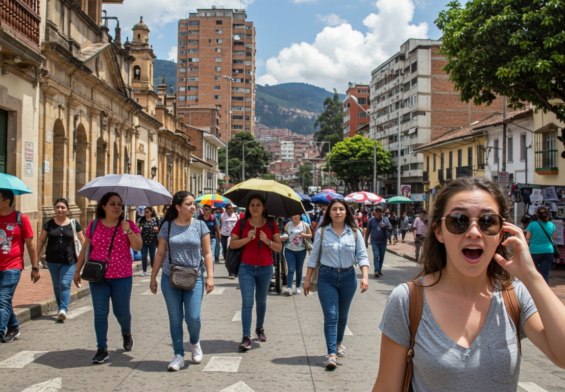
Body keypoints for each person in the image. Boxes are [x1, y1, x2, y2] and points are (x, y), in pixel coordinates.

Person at [374, 177, 565, 390]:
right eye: (458, 220)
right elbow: (386, 386)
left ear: (502, 232)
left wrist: (532, 276)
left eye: (487, 221)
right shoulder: (407, 300)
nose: (474, 232)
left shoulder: (515, 296)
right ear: (439, 232)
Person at [73, 192, 143, 364]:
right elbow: (85, 248)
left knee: (121, 312)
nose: (117, 207)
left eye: (120, 204)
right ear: (103, 206)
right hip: (98, 276)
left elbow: (138, 246)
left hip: (122, 276)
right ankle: (102, 349)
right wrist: (77, 271)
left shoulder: (129, 225)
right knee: (100, 312)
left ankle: (126, 332)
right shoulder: (94, 224)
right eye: (112, 204)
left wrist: (128, 232)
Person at [150, 191, 214, 371]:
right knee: (175, 318)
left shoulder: (201, 225)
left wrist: (210, 276)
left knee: (193, 317)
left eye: (194, 204)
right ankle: (178, 354)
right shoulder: (167, 226)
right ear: (178, 207)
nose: (193, 207)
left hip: (194, 278)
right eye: (188, 204)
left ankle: (194, 342)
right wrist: (153, 276)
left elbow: (208, 253)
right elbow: (160, 253)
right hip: (170, 278)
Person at [303, 198, 369, 370]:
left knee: (342, 315)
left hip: (348, 277)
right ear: (329, 212)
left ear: (346, 212)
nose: (338, 212)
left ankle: (338, 343)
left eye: (341, 209)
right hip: (327, 276)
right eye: (334, 209)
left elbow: (362, 255)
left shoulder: (355, 232)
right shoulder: (322, 232)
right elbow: (313, 256)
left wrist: (365, 277)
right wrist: (307, 279)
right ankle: (331, 353)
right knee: (331, 315)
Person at [230, 194, 282, 351]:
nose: (255, 207)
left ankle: (259, 327)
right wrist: (247, 238)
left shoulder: (272, 224)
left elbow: (279, 247)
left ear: (263, 208)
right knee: (247, 302)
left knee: (261, 301)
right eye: (252, 204)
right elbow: (232, 244)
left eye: (258, 204)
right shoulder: (242, 222)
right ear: (248, 207)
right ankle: (246, 337)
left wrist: (267, 241)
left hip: (266, 268)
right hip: (246, 267)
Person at [0, 189, 39, 346]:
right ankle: (14, 327)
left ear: (6, 201)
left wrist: (35, 267)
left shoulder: (20, 218)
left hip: (12, 266)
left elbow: (31, 244)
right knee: (5, 300)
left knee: (2, 299)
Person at [36, 198, 85, 320]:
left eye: (63, 207)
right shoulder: (48, 224)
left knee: (64, 284)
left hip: (70, 261)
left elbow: (82, 240)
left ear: (67, 209)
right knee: (57, 286)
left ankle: (63, 308)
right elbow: (41, 240)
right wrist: (35, 257)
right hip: (52, 260)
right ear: (54, 209)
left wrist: (85, 256)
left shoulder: (74, 224)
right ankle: (60, 308)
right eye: (57, 207)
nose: (60, 209)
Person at [283, 214, 313, 296]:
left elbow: (310, 235)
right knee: (291, 269)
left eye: (296, 215)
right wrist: (284, 236)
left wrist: (303, 235)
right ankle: (289, 288)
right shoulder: (288, 224)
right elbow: (284, 233)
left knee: (299, 269)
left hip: (301, 250)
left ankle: (297, 287)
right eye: (293, 215)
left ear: (300, 215)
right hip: (289, 249)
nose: (294, 216)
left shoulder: (305, 225)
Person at [526, 207, 556, 284]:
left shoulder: (532, 225)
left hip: (534, 251)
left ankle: (534, 288)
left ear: (537, 215)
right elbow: (553, 237)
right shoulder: (551, 225)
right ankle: (544, 290)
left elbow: (528, 238)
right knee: (545, 273)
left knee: (533, 271)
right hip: (548, 251)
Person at [365, 205, 391, 278]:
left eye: (379, 212)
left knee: (381, 257)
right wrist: (366, 241)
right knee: (376, 256)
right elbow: (368, 231)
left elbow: (390, 228)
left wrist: (385, 226)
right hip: (374, 241)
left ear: (382, 213)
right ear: (374, 212)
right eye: (376, 211)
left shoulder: (385, 220)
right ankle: (376, 270)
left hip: (383, 241)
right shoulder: (371, 220)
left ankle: (379, 269)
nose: (378, 213)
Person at [137, 206, 160, 277]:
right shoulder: (141, 220)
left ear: (151, 212)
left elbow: (159, 229)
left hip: (152, 241)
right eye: (145, 212)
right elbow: (137, 229)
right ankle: (144, 271)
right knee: (144, 256)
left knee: (152, 256)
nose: (145, 213)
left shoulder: (155, 220)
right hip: (143, 241)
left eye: (147, 212)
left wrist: (157, 230)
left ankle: (153, 270)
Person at [220, 204, 239, 279]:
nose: (230, 210)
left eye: (232, 208)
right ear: (226, 209)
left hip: (234, 237)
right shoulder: (222, 216)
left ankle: (234, 271)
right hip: (225, 236)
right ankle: (230, 271)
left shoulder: (236, 215)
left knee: (235, 254)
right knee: (226, 253)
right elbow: (220, 225)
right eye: (228, 208)